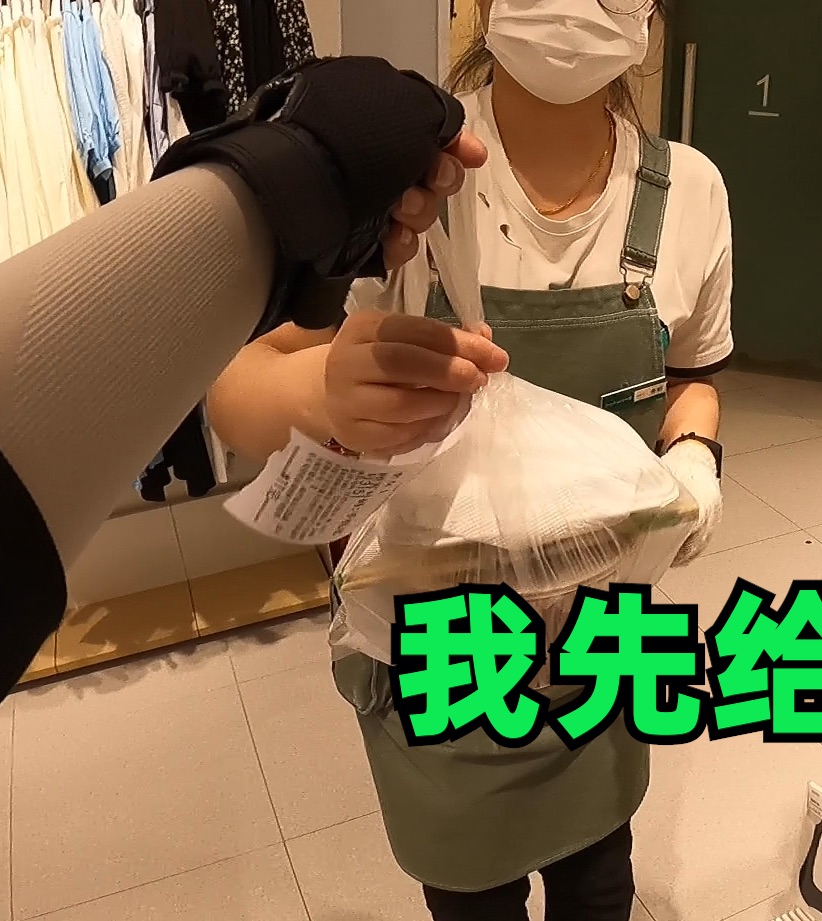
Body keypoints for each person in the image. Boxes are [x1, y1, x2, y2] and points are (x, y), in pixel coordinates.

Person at [206, 0, 734, 918]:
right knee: (470, 899)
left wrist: (693, 455)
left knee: (601, 884)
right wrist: (319, 390)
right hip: (449, 658)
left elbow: (691, 376)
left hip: (602, 651)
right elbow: (234, 384)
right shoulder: (402, 180)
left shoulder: (690, 191)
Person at [0, 56, 483, 696]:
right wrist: (326, 392)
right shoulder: (425, 168)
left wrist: (290, 175)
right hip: (427, 629)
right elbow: (235, 388)